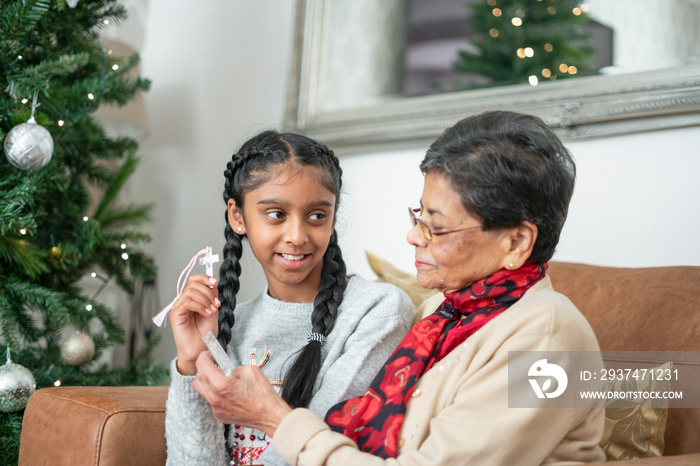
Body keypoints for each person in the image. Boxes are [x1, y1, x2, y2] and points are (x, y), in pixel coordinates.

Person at [190, 111, 607, 465]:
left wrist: (276, 420)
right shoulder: (441, 315)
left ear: (516, 242)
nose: (414, 237)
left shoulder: (548, 344)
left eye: (436, 227)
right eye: (418, 217)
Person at [164, 130, 414, 465]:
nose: (296, 236)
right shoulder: (229, 323)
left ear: (333, 217)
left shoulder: (376, 310)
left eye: (316, 216)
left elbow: (322, 446)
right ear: (238, 217)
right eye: (276, 214)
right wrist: (193, 362)